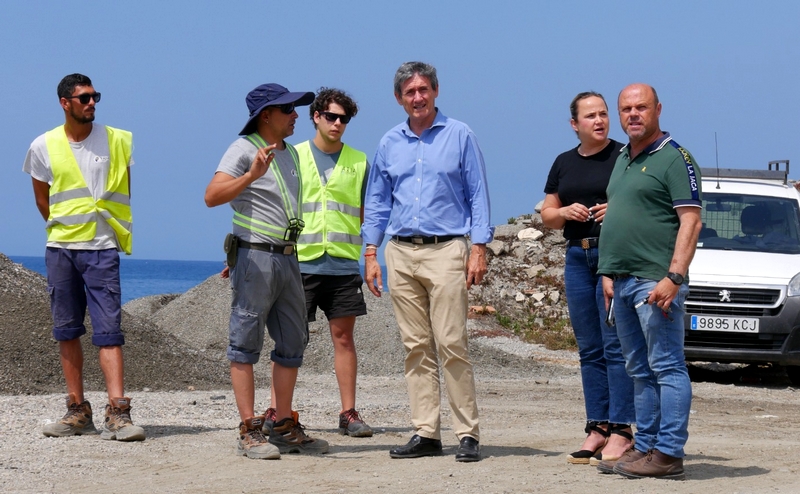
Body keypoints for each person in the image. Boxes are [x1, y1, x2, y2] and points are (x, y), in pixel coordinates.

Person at [362, 61, 492, 463]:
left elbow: (477, 192)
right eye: (409, 92)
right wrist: (371, 251)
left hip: (446, 249)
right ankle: (426, 432)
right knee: (415, 346)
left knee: (452, 342)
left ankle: (467, 433)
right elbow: (378, 201)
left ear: (436, 91)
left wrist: (479, 247)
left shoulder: (460, 134)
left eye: (423, 90)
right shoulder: (389, 142)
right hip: (399, 252)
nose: (417, 97)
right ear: (399, 98)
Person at [204, 83, 328, 459]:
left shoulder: (288, 152)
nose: (295, 115)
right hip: (256, 257)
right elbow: (212, 196)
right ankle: (248, 429)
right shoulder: (242, 149)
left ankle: (282, 425)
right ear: (266, 115)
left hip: (288, 257)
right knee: (245, 343)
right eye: (288, 109)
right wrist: (251, 175)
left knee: (293, 342)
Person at [23, 73, 145, 442]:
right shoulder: (42, 146)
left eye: (95, 97)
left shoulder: (116, 140)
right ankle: (77, 410)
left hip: (102, 248)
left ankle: (118, 412)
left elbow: (122, 190)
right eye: (84, 98)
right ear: (65, 103)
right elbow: (42, 199)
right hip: (61, 249)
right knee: (67, 330)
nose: (92, 103)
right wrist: (66, 229)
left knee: (109, 332)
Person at [597, 83, 703, 480]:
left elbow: (690, 220)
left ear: (658, 108)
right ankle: (645, 446)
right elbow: (623, 217)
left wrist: (674, 276)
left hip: (654, 282)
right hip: (623, 283)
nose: (633, 115)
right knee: (639, 370)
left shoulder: (675, 158)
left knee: (667, 367)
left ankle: (669, 452)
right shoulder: (624, 156)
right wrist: (609, 271)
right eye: (626, 109)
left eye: (641, 107)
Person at [541, 91, 635, 465]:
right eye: (591, 116)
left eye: (603, 114)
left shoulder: (624, 156)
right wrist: (564, 210)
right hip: (576, 257)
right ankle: (597, 427)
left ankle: (622, 429)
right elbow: (547, 214)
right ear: (574, 124)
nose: (599, 121)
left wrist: (620, 207)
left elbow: (642, 199)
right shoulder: (564, 162)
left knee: (615, 346)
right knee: (589, 349)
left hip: (612, 256)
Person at [291, 87, 373, 437]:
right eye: (331, 117)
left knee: (343, 339)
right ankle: (281, 410)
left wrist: (372, 256)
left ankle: (348, 413)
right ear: (316, 116)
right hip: (300, 263)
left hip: (341, 264)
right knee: (291, 341)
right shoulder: (291, 157)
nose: (338, 123)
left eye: (344, 118)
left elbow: (369, 214)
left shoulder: (359, 161)